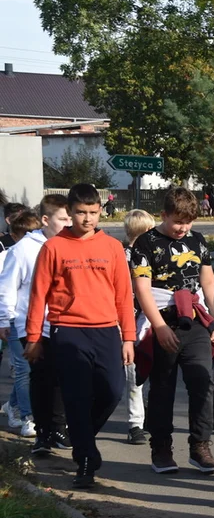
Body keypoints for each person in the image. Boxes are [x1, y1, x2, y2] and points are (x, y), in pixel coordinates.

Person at [25, 184, 136, 488]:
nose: (87, 219)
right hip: (68, 330)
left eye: (93, 212)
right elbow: (39, 296)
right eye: (80, 213)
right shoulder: (54, 248)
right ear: (70, 212)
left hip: (106, 331)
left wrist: (128, 337)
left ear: (101, 211)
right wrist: (34, 337)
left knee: (112, 391)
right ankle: (85, 461)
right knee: (75, 397)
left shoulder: (112, 247)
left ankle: (80, 433)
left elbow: (124, 296)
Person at [130, 187, 214, 475]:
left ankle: (200, 445)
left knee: (202, 381)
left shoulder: (197, 240)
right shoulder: (145, 243)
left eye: (188, 222)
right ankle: (161, 448)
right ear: (164, 215)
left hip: (194, 322)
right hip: (163, 322)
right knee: (163, 387)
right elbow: (141, 288)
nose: (183, 228)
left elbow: (209, 283)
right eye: (177, 222)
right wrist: (158, 326)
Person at [0, 196, 71, 454]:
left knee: (60, 380)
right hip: (28, 326)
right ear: (45, 219)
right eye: (64, 218)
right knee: (34, 377)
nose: (69, 223)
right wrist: (4, 320)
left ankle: (56, 428)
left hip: (63, 325)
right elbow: (7, 287)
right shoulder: (23, 250)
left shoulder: (69, 245)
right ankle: (37, 427)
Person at [0, 208, 45, 438]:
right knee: (23, 370)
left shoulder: (47, 248)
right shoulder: (15, 252)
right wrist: (4, 319)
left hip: (41, 321)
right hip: (18, 320)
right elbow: (6, 289)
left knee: (29, 370)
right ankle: (29, 417)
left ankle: (12, 404)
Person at [121, 209, 155, 445]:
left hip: (150, 320)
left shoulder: (153, 254)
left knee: (152, 371)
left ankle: (148, 415)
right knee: (134, 375)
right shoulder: (123, 256)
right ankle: (136, 423)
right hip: (129, 322)